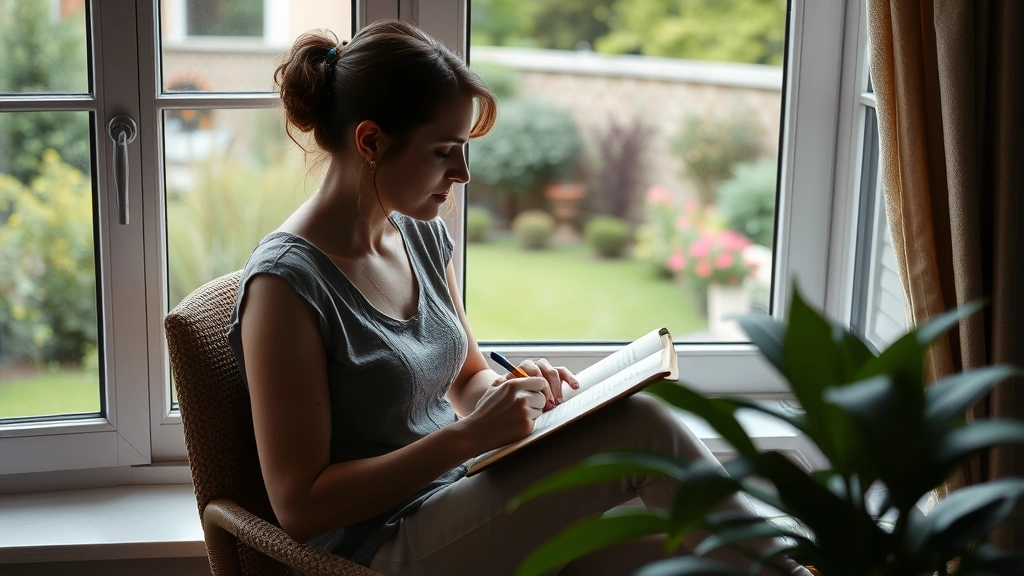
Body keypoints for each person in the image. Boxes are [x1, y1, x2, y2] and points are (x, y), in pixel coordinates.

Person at [227, 19, 811, 576]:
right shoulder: (285, 287)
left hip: (459, 499)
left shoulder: (417, 233)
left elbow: (469, 377)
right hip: (377, 550)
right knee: (642, 429)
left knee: (665, 539)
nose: (463, 173)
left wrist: (520, 396)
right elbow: (299, 507)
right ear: (372, 140)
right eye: (443, 150)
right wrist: (466, 437)